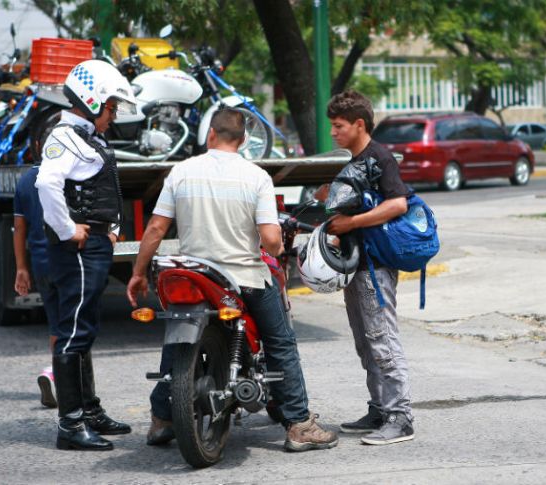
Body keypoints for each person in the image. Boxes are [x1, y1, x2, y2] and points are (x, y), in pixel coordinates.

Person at [126, 107, 338, 452]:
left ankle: (163, 418)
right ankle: (299, 424)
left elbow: (155, 228)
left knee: (177, 339)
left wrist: (138, 273)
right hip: (244, 277)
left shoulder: (181, 172)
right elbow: (270, 240)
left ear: (210, 134)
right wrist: (272, 243)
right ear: (242, 141)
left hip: (195, 276)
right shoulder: (255, 177)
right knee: (281, 341)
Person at [35, 59, 137, 451]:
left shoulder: (86, 135)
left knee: (85, 327)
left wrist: (109, 231)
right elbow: (47, 184)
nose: (113, 115)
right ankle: (71, 425)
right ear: (92, 101)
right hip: (76, 248)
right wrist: (67, 229)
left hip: (91, 245)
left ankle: (89, 411)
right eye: (111, 107)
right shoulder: (65, 135)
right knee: (73, 332)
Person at [318, 90, 415, 445]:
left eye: (339, 126)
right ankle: (379, 408)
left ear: (360, 124)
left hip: (377, 267)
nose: (333, 132)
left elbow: (398, 204)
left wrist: (352, 223)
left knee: (382, 339)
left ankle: (400, 417)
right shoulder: (352, 160)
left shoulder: (380, 157)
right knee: (365, 342)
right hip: (357, 267)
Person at [13, 163, 59, 409]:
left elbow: (20, 228)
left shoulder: (26, 180)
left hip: (41, 262)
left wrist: (21, 268)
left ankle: (57, 372)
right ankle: (58, 374)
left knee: (56, 323)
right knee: (76, 324)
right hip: (68, 260)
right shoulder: (71, 172)